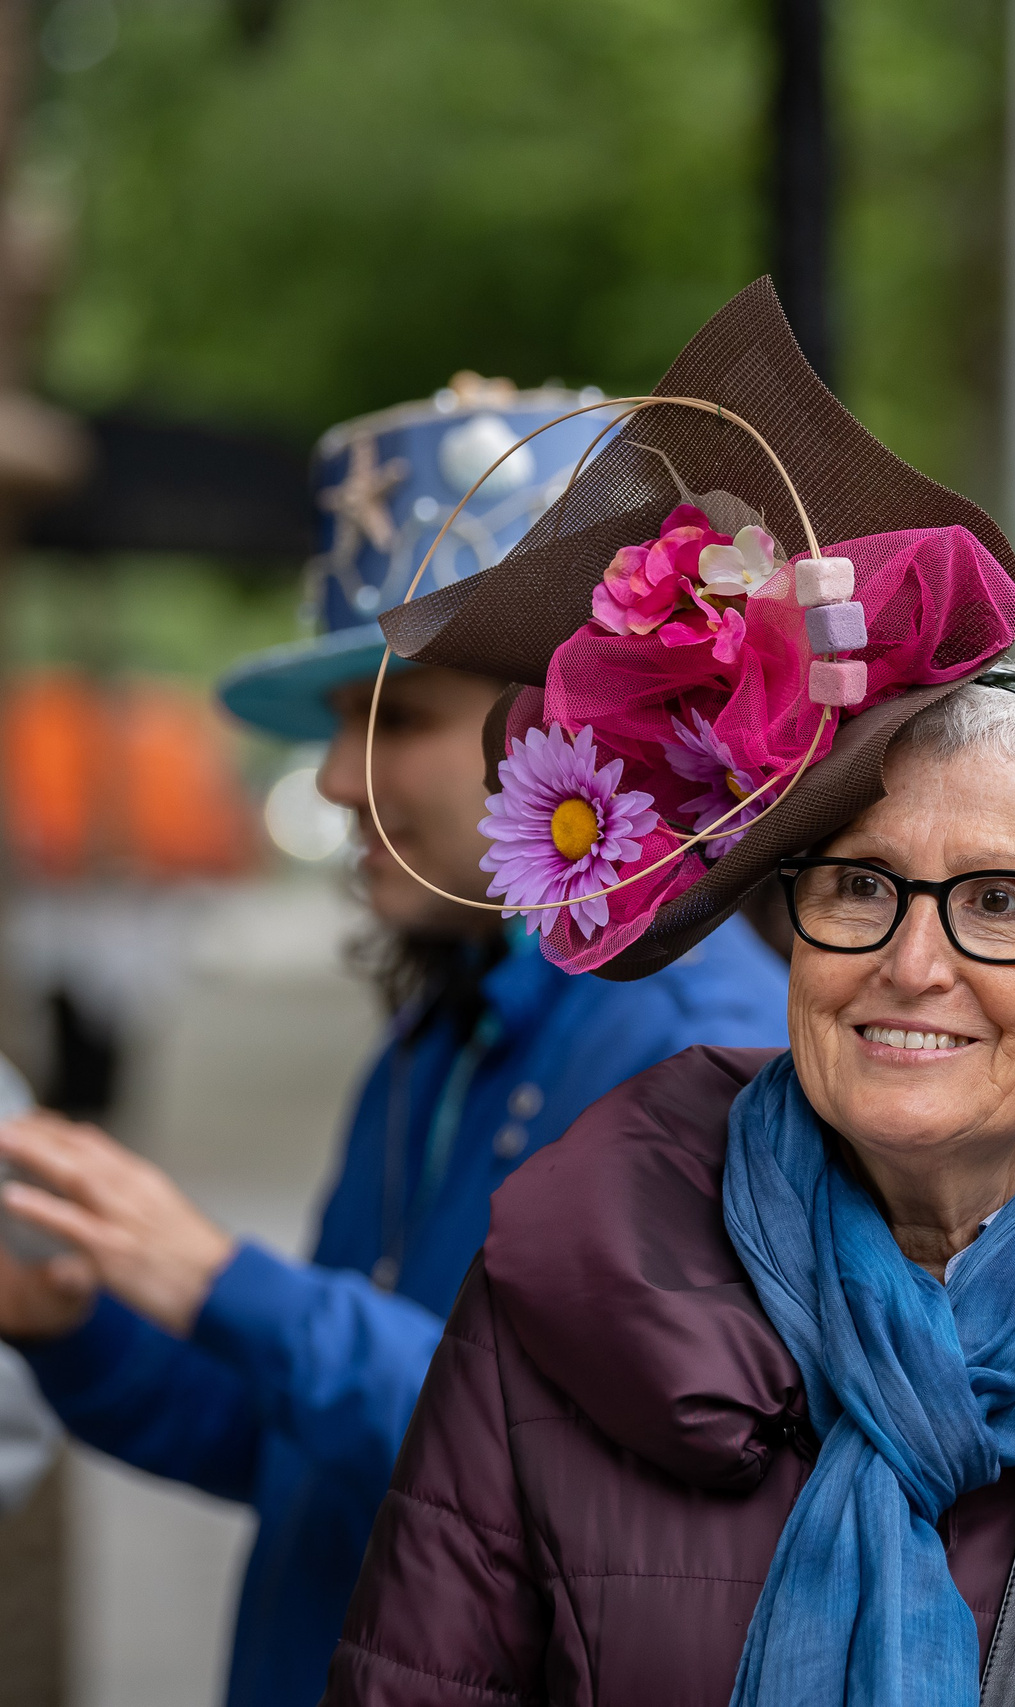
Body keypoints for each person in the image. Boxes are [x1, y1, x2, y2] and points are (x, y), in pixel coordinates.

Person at [320, 282, 1015, 1707]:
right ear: (784, 919)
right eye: (860, 888)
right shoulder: (564, 1269)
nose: (914, 964)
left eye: (1001, 904)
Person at [0, 377, 789, 1707]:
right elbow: (291, 1445)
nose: (326, 778)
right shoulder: (449, 1020)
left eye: (394, 719)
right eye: (337, 724)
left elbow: (589, 1485)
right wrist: (76, 1321)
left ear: (574, 725)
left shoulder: (705, 1051)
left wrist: (219, 1282)